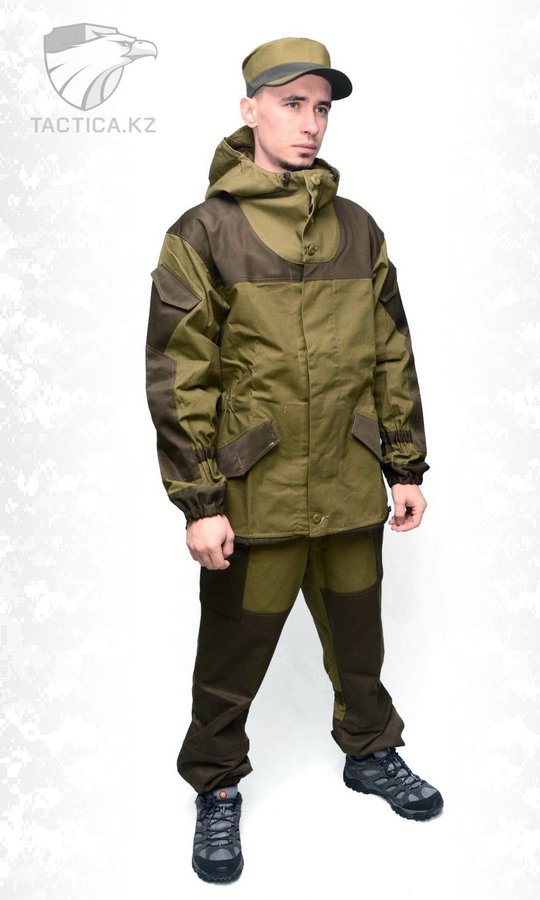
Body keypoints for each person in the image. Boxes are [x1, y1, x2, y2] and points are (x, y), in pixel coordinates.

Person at [145, 36, 443, 885]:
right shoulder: (203, 233)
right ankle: (216, 784)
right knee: (232, 656)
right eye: (290, 104)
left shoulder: (358, 229)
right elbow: (178, 374)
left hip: (348, 481)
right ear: (250, 110)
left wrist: (405, 465)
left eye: (321, 108)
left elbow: (392, 352)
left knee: (359, 639)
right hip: (257, 491)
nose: (310, 123)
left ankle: (370, 752)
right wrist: (201, 502)